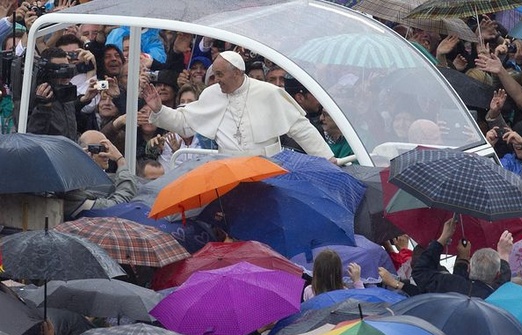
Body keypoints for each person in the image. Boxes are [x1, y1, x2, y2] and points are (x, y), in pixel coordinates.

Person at [142, 51, 333, 158]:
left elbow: (299, 127)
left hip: (267, 164)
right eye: (214, 74)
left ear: (238, 72)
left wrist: (327, 158)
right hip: (229, 167)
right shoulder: (211, 94)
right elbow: (184, 122)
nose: (215, 80)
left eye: (220, 74)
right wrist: (159, 109)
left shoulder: (268, 92)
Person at [410, 218, 512, 299]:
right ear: (497, 275)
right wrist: (504, 255)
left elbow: (420, 272)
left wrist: (443, 237)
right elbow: (503, 279)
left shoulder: (450, 285)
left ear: (469, 269)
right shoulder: (497, 294)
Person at [60, 130, 138, 220]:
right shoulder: (70, 189)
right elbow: (116, 206)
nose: (106, 154)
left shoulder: (108, 180)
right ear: (84, 151)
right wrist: (121, 161)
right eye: (99, 149)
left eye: (107, 149)